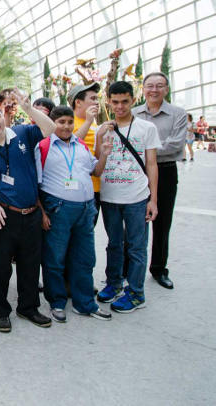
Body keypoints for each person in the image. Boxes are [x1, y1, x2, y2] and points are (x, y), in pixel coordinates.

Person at [0, 88, 57, 333]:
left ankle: (28, 306)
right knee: (0, 267)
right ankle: (1, 311)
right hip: (4, 217)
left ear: (3, 116)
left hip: (30, 213)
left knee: (30, 264)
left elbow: (50, 129)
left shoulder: (21, 133)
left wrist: (29, 109)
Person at [35, 106, 113, 323]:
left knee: (85, 258)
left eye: (70, 122)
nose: (66, 126)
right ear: (52, 123)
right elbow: (35, 183)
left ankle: (85, 303)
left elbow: (95, 171)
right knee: (55, 259)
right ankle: (57, 302)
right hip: (59, 209)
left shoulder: (80, 146)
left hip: (86, 209)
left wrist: (104, 154)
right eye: (61, 122)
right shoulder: (43, 146)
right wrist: (42, 212)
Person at [96, 81, 161, 313]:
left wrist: (153, 199)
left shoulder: (146, 128)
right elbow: (97, 164)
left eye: (125, 101)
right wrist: (101, 144)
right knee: (114, 244)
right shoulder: (103, 128)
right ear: (109, 102)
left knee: (136, 247)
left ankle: (136, 293)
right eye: (115, 102)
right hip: (110, 196)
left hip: (137, 197)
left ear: (133, 100)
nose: (120, 106)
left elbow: (152, 164)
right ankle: (114, 284)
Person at [133, 72, 187, 290]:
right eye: (150, 86)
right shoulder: (134, 113)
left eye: (159, 86)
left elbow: (176, 144)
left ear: (166, 89)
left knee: (162, 222)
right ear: (143, 89)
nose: (154, 90)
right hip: (136, 172)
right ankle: (130, 269)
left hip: (165, 171)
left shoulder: (177, 113)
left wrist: (147, 148)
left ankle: (158, 269)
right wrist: (151, 150)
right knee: (134, 221)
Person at [68, 83, 103, 223]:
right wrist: (88, 121)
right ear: (78, 102)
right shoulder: (69, 122)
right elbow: (70, 144)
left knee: (88, 230)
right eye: (92, 98)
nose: (96, 102)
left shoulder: (93, 123)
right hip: (77, 188)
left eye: (97, 98)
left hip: (95, 186)